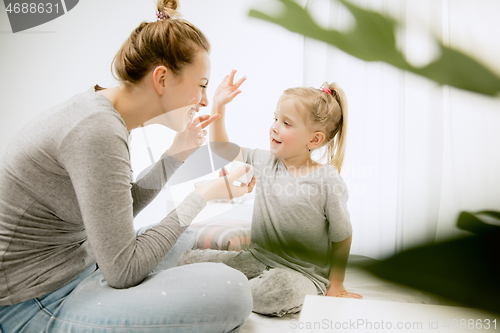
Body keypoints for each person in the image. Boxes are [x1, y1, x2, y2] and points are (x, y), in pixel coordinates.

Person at [0, 1, 256, 332]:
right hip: (37, 301)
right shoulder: (97, 130)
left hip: (82, 264)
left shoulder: (104, 114)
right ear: (162, 78)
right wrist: (203, 194)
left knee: (183, 238)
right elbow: (122, 269)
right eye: (202, 85)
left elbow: (114, 212)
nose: (205, 100)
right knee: (232, 293)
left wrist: (174, 156)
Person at [178, 70, 363, 317]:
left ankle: (226, 291)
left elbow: (342, 236)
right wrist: (218, 105)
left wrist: (336, 283)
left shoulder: (327, 180)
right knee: (185, 261)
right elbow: (222, 150)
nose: (274, 128)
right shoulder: (266, 161)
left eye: (286, 123)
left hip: (302, 274)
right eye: (275, 119)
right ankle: (227, 288)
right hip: (257, 258)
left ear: (315, 139)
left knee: (273, 293)